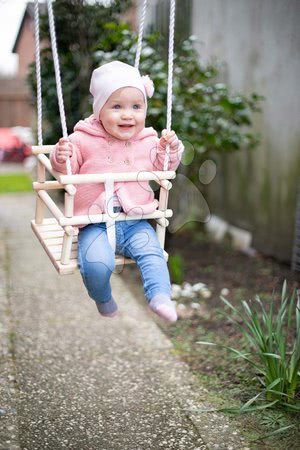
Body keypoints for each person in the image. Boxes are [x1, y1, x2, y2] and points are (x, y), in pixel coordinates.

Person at [50, 61, 184, 322]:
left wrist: (170, 149)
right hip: (94, 222)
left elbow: (163, 166)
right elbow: (64, 169)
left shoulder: (148, 140)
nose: (128, 115)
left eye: (136, 106)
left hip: (135, 221)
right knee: (96, 265)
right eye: (117, 106)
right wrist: (60, 155)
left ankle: (160, 298)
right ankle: (102, 297)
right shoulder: (81, 139)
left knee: (153, 255)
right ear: (99, 110)